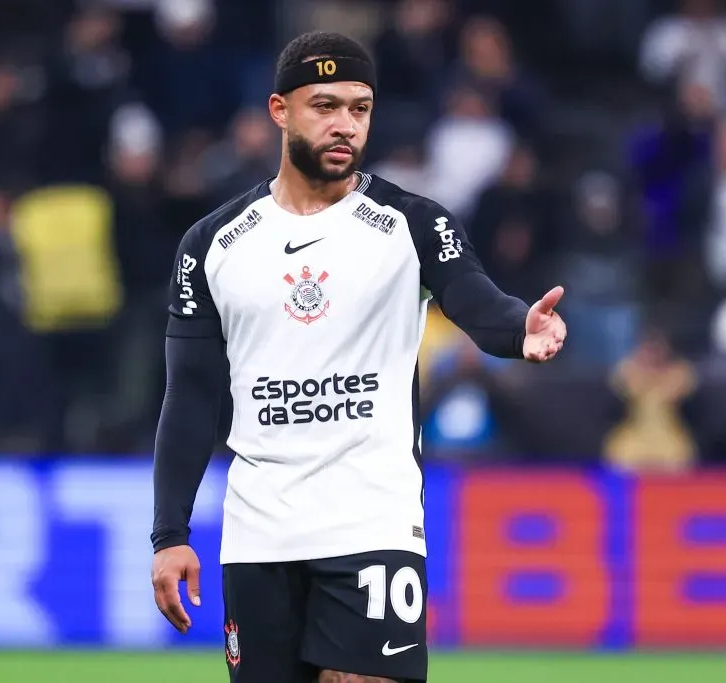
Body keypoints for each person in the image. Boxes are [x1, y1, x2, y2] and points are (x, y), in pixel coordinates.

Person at [148, 32, 567, 683]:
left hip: (372, 520)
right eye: (326, 105)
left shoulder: (413, 223)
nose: (346, 124)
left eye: (361, 108)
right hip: (261, 532)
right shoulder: (212, 245)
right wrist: (169, 532)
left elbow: (477, 301)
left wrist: (520, 329)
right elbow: (192, 396)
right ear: (279, 110)